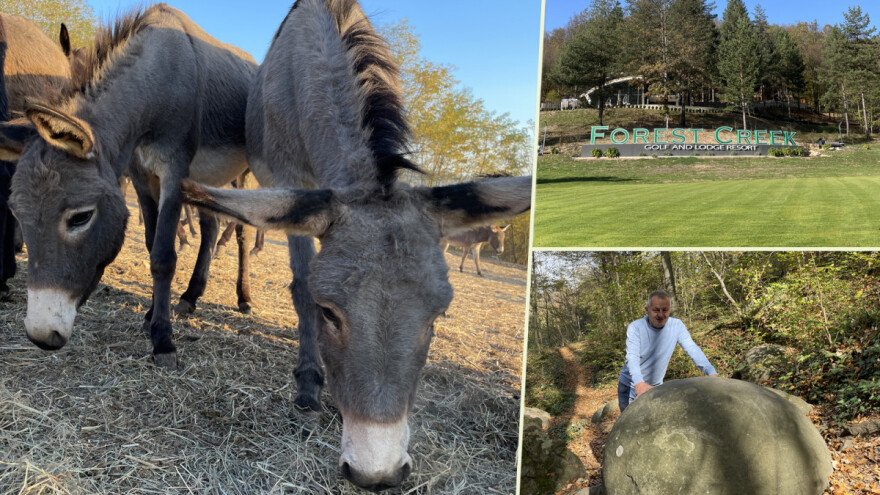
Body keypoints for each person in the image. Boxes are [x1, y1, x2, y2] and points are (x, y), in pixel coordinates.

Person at [618, 290, 718, 413]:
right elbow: (632, 357)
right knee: (629, 426)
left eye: (665, 310)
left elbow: (692, 348)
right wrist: (639, 383)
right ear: (647, 309)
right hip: (631, 385)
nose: (661, 314)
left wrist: (711, 372)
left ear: (670, 309)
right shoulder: (636, 327)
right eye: (656, 310)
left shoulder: (677, 326)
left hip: (656, 386)